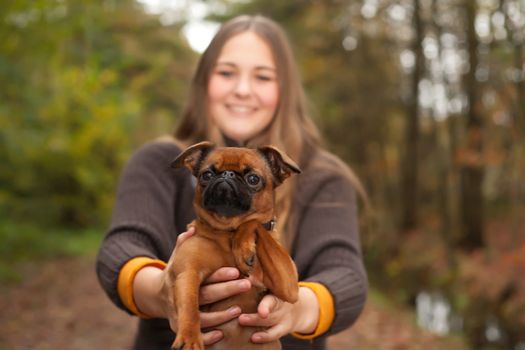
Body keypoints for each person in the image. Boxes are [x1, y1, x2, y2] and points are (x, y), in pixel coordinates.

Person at [96, 14, 368, 350]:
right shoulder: (159, 160)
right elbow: (119, 249)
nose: (242, 89)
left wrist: (298, 310)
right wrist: (161, 290)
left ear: (285, 89)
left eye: (263, 77)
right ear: (203, 81)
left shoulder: (323, 176)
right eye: (226, 73)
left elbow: (347, 276)